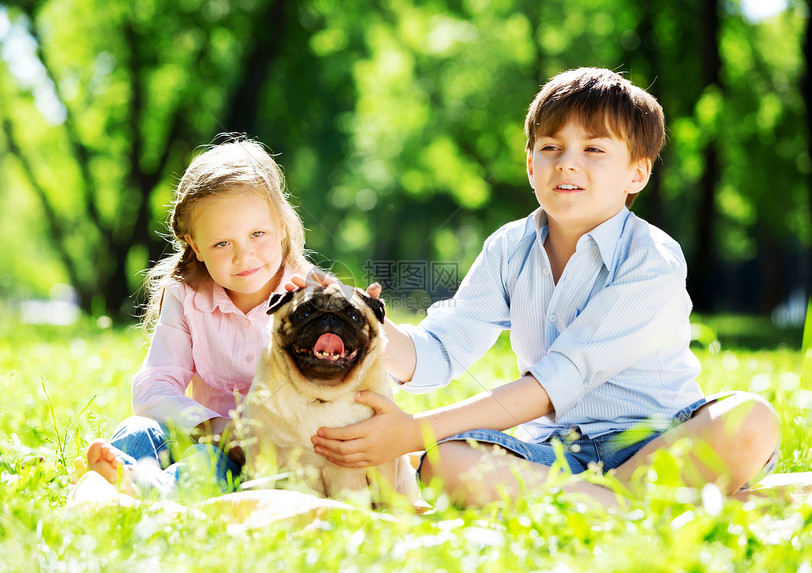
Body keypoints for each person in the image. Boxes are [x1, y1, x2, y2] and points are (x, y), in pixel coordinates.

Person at [306, 68, 781, 507]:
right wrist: (356, 318)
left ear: (637, 173)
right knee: (445, 461)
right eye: (551, 147)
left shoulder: (650, 258)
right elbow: (441, 347)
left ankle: (603, 505)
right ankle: (631, 507)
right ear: (531, 165)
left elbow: (552, 384)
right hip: (554, 454)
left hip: (659, 441)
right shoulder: (510, 247)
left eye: (594, 149)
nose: (567, 164)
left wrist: (414, 432)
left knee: (751, 420)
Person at [79, 136, 313, 498]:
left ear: (282, 226)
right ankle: (114, 481)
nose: (243, 256)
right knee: (137, 429)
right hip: (194, 432)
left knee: (206, 462)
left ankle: (141, 491)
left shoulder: (310, 300)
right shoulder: (187, 296)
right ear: (195, 246)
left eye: (257, 234)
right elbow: (154, 389)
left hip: (264, 460)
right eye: (222, 243)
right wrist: (216, 426)